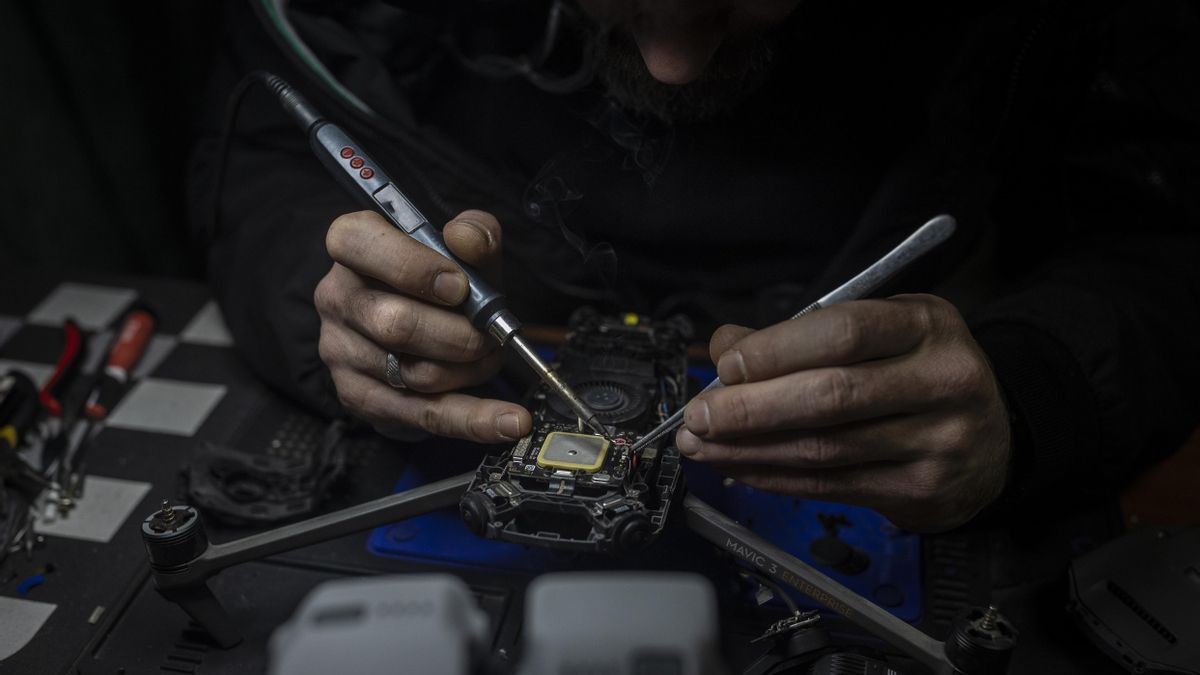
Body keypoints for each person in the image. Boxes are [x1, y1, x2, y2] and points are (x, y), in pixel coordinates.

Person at [190, 0, 1199, 532]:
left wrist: (1033, 395)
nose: (673, 64)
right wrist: (333, 302)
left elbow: (1164, 234)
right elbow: (272, 148)